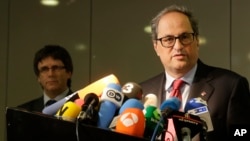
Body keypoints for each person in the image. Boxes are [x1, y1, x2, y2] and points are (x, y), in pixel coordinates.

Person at [140, 5, 250, 141]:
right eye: (168, 39)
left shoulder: (230, 86)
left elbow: (243, 133)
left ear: (196, 40)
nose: (178, 46)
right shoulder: (142, 93)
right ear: (156, 47)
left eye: (185, 37)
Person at [18, 45, 74, 112]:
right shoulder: (23, 112)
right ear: (38, 77)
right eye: (44, 69)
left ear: (69, 73)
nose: (51, 74)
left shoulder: (86, 109)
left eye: (56, 68)